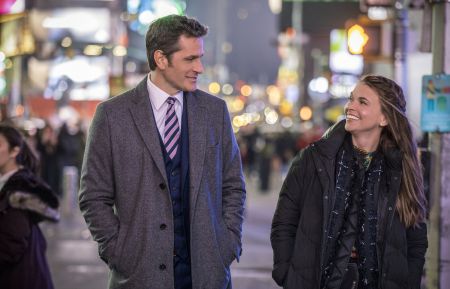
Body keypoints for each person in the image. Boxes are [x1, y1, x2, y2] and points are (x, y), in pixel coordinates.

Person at [79, 14, 246, 289]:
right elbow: (93, 196)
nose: (200, 67)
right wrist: (118, 251)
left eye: (200, 57)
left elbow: (233, 186)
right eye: (190, 59)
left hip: (207, 275)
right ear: (161, 59)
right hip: (139, 276)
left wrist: (226, 243)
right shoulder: (111, 115)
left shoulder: (215, 112)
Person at [271, 75, 427, 289]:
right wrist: (287, 274)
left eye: (362, 102)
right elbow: (284, 223)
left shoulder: (400, 169)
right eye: (351, 99)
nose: (350, 107)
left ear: (384, 119)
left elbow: (415, 241)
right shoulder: (313, 160)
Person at [0, 124, 60, 289]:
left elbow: (11, 245)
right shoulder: (10, 184)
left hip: (20, 278)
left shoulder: (20, 189)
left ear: (14, 151)